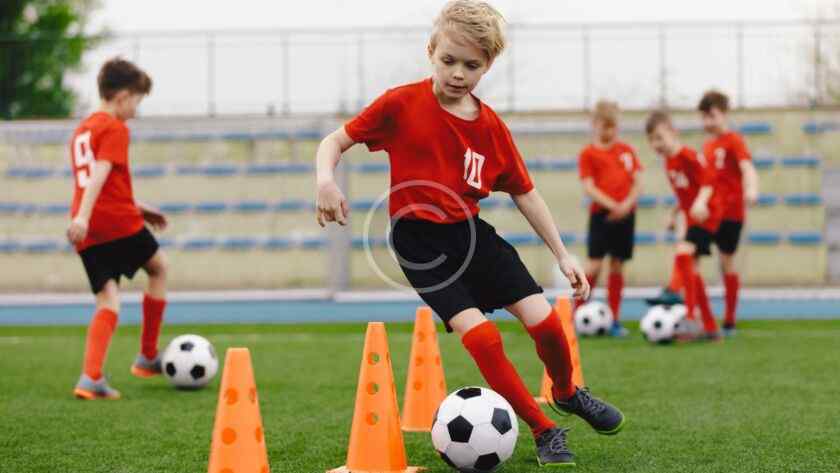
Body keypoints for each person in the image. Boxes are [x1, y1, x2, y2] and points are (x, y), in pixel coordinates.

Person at [314, 1, 624, 467]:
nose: (458, 73)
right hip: (419, 244)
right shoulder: (401, 103)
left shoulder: (491, 127)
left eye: (471, 65)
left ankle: (565, 392)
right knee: (482, 338)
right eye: (449, 60)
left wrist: (562, 254)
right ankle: (544, 430)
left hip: (471, 235)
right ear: (431, 51)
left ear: (488, 65)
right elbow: (334, 141)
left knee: (547, 323)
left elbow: (525, 193)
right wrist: (325, 180)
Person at [68, 58, 169, 400]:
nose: (136, 111)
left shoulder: (82, 130)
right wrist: (85, 217)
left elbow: (97, 182)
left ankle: (90, 377)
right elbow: (100, 173)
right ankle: (148, 355)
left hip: (90, 229)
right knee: (159, 268)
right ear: (123, 96)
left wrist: (84, 218)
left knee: (107, 299)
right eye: (137, 101)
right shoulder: (115, 128)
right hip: (113, 221)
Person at [646, 111, 722, 341]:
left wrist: (701, 202)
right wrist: (674, 213)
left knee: (683, 254)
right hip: (692, 216)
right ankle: (710, 327)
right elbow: (685, 193)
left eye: (660, 137)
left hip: (707, 214)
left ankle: (687, 313)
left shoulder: (688, 155)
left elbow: (709, 181)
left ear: (673, 133)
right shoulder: (669, 162)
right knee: (693, 271)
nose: (656, 144)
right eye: (652, 140)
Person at [577, 100, 642, 337]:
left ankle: (614, 318)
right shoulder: (588, 153)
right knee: (594, 264)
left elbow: (637, 182)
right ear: (595, 124)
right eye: (605, 126)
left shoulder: (626, 151)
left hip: (626, 215)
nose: (610, 131)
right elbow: (589, 187)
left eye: (614, 126)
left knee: (617, 264)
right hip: (602, 216)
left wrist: (626, 205)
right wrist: (612, 205)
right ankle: (577, 313)